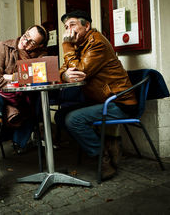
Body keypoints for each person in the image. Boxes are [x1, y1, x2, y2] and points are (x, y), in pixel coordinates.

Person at [55, 10, 137, 180]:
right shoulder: (80, 45)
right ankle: (100, 145)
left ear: (86, 25)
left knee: (73, 119)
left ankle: (103, 156)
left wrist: (66, 46)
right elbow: (64, 69)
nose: (68, 30)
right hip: (100, 100)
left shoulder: (96, 43)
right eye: (65, 27)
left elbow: (80, 71)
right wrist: (64, 75)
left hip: (119, 102)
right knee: (61, 115)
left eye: (72, 25)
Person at [0, 25, 49, 199]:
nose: (25, 41)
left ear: (38, 47)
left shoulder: (40, 56)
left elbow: (38, 81)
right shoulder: (4, 46)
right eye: (26, 35)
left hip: (21, 105)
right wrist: (19, 78)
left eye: (31, 42)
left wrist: (8, 77)